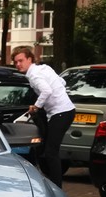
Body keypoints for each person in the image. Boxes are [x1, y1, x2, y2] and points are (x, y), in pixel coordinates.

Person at [11, 46, 76, 188]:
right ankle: (50, 183)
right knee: (47, 149)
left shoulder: (34, 75)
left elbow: (47, 90)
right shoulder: (44, 68)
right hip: (65, 111)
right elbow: (62, 82)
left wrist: (36, 106)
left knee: (51, 152)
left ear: (29, 59)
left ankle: (56, 187)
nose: (18, 64)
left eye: (21, 61)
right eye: (16, 62)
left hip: (61, 113)